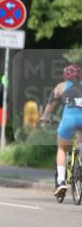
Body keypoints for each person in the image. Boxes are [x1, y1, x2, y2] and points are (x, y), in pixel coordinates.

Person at [40, 63, 82, 198]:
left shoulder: (61, 86)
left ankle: (61, 182)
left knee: (62, 149)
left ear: (65, 76)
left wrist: (45, 117)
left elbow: (51, 104)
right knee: (80, 144)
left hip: (68, 120)